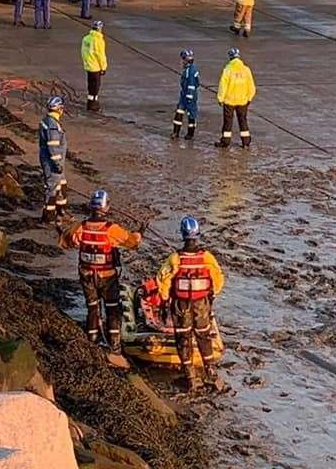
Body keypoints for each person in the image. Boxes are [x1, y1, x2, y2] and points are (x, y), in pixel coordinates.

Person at [61, 189, 142, 353]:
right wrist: (139, 234)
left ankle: (92, 340)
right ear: (106, 209)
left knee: (92, 308)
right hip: (107, 277)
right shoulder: (111, 230)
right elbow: (132, 242)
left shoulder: (80, 228)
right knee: (113, 309)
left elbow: (64, 241)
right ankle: (115, 345)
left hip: (86, 275)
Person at [156, 216, 225, 391]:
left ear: (182, 234)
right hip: (201, 305)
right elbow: (218, 279)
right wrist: (213, 294)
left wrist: (164, 301)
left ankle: (190, 377)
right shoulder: (207, 258)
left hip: (181, 306)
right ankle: (211, 373)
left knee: (183, 339)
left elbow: (163, 280)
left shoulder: (175, 259)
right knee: (203, 337)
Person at [215, 47, 256, 149]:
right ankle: (246, 142)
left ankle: (225, 141)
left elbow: (223, 85)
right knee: (243, 121)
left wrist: (220, 98)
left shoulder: (228, 70)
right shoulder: (246, 69)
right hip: (243, 101)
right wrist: (249, 98)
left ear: (230, 57)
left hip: (229, 101)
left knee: (228, 122)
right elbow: (251, 86)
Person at [38, 96, 68, 230]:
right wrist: (57, 164)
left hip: (55, 162)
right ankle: (48, 216)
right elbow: (53, 146)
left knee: (62, 186)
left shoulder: (50, 122)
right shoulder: (52, 125)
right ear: (60, 109)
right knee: (52, 189)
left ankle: (61, 212)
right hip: (52, 163)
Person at [172, 48, 200, 140]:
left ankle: (190, 134)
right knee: (179, 112)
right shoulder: (190, 69)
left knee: (191, 115)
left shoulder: (190, 71)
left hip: (188, 96)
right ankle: (176, 132)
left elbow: (192, 84)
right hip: (184, 95)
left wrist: (189, 97)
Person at [81, 20, 107, 111]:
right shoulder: (99, 40)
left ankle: (90, 102)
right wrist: (103, 67)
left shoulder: (86, 38)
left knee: (90, 85)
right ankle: (93, 104)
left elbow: (83, 52)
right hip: (96, 67)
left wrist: (86, 62)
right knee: (95, 86)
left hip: (88, 65)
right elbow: (101, 55)